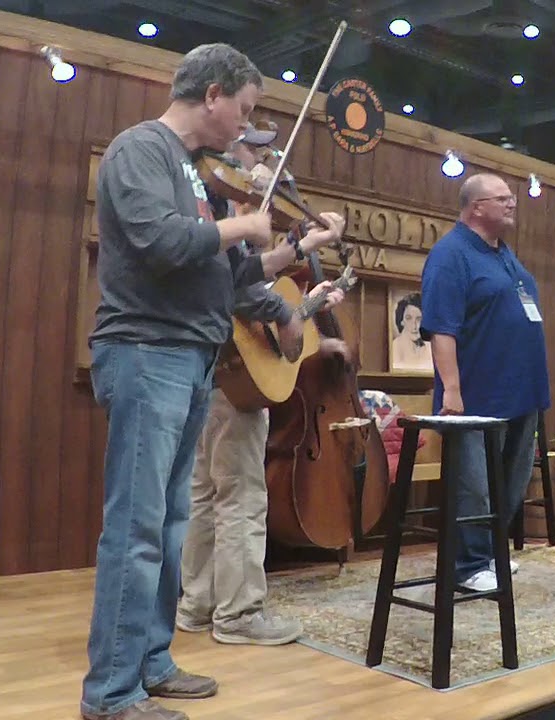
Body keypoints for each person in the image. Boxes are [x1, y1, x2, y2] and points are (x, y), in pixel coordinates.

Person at [82, 43, 292, 720]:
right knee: (138, 529)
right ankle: (112, 694)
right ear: (211, 94)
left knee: (171, 526)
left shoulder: (193, 172)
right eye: (244, 108)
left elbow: (221, 282)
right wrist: (243, 225)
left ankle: (151, 660)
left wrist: (268, 253)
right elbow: (159, 241)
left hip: (188, 358)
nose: (244, 125)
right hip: (148, 354)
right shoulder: (140, 149)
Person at [176, 125, 346, 648]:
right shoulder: (222, 206)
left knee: (205, 491)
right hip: (230, 370)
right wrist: (288, 310)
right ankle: (240, 614)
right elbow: (239, 287)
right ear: (233, 149)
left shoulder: (216, 204)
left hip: (208, 364)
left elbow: (249, 277)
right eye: (256, 145)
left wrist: (303, 247)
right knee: (243, 495)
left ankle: (198, 603)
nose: (267, 156)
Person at [420, 173, 551, 592]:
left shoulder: (504, 254)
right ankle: (468, 565)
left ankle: (492, 554)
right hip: (476, 393)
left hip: (521, 391)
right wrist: (452, 389)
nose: (513, 204)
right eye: (503, 199)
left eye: (512, 198)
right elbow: (441, 328)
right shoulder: (451, 255)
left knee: (510, 482)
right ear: (476, 207)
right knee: (474, 486)